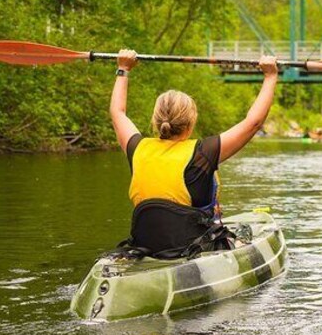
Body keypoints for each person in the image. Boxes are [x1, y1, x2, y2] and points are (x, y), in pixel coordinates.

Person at [109, 48, 278, 257]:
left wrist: (123, 68)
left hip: (146, 248)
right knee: (239, 237)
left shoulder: (137, 148)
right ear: (191, 123)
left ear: (156, 119)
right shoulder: (202, 153)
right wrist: (270, 76)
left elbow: (117, 113)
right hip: (191, 249)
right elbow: (253, 123)